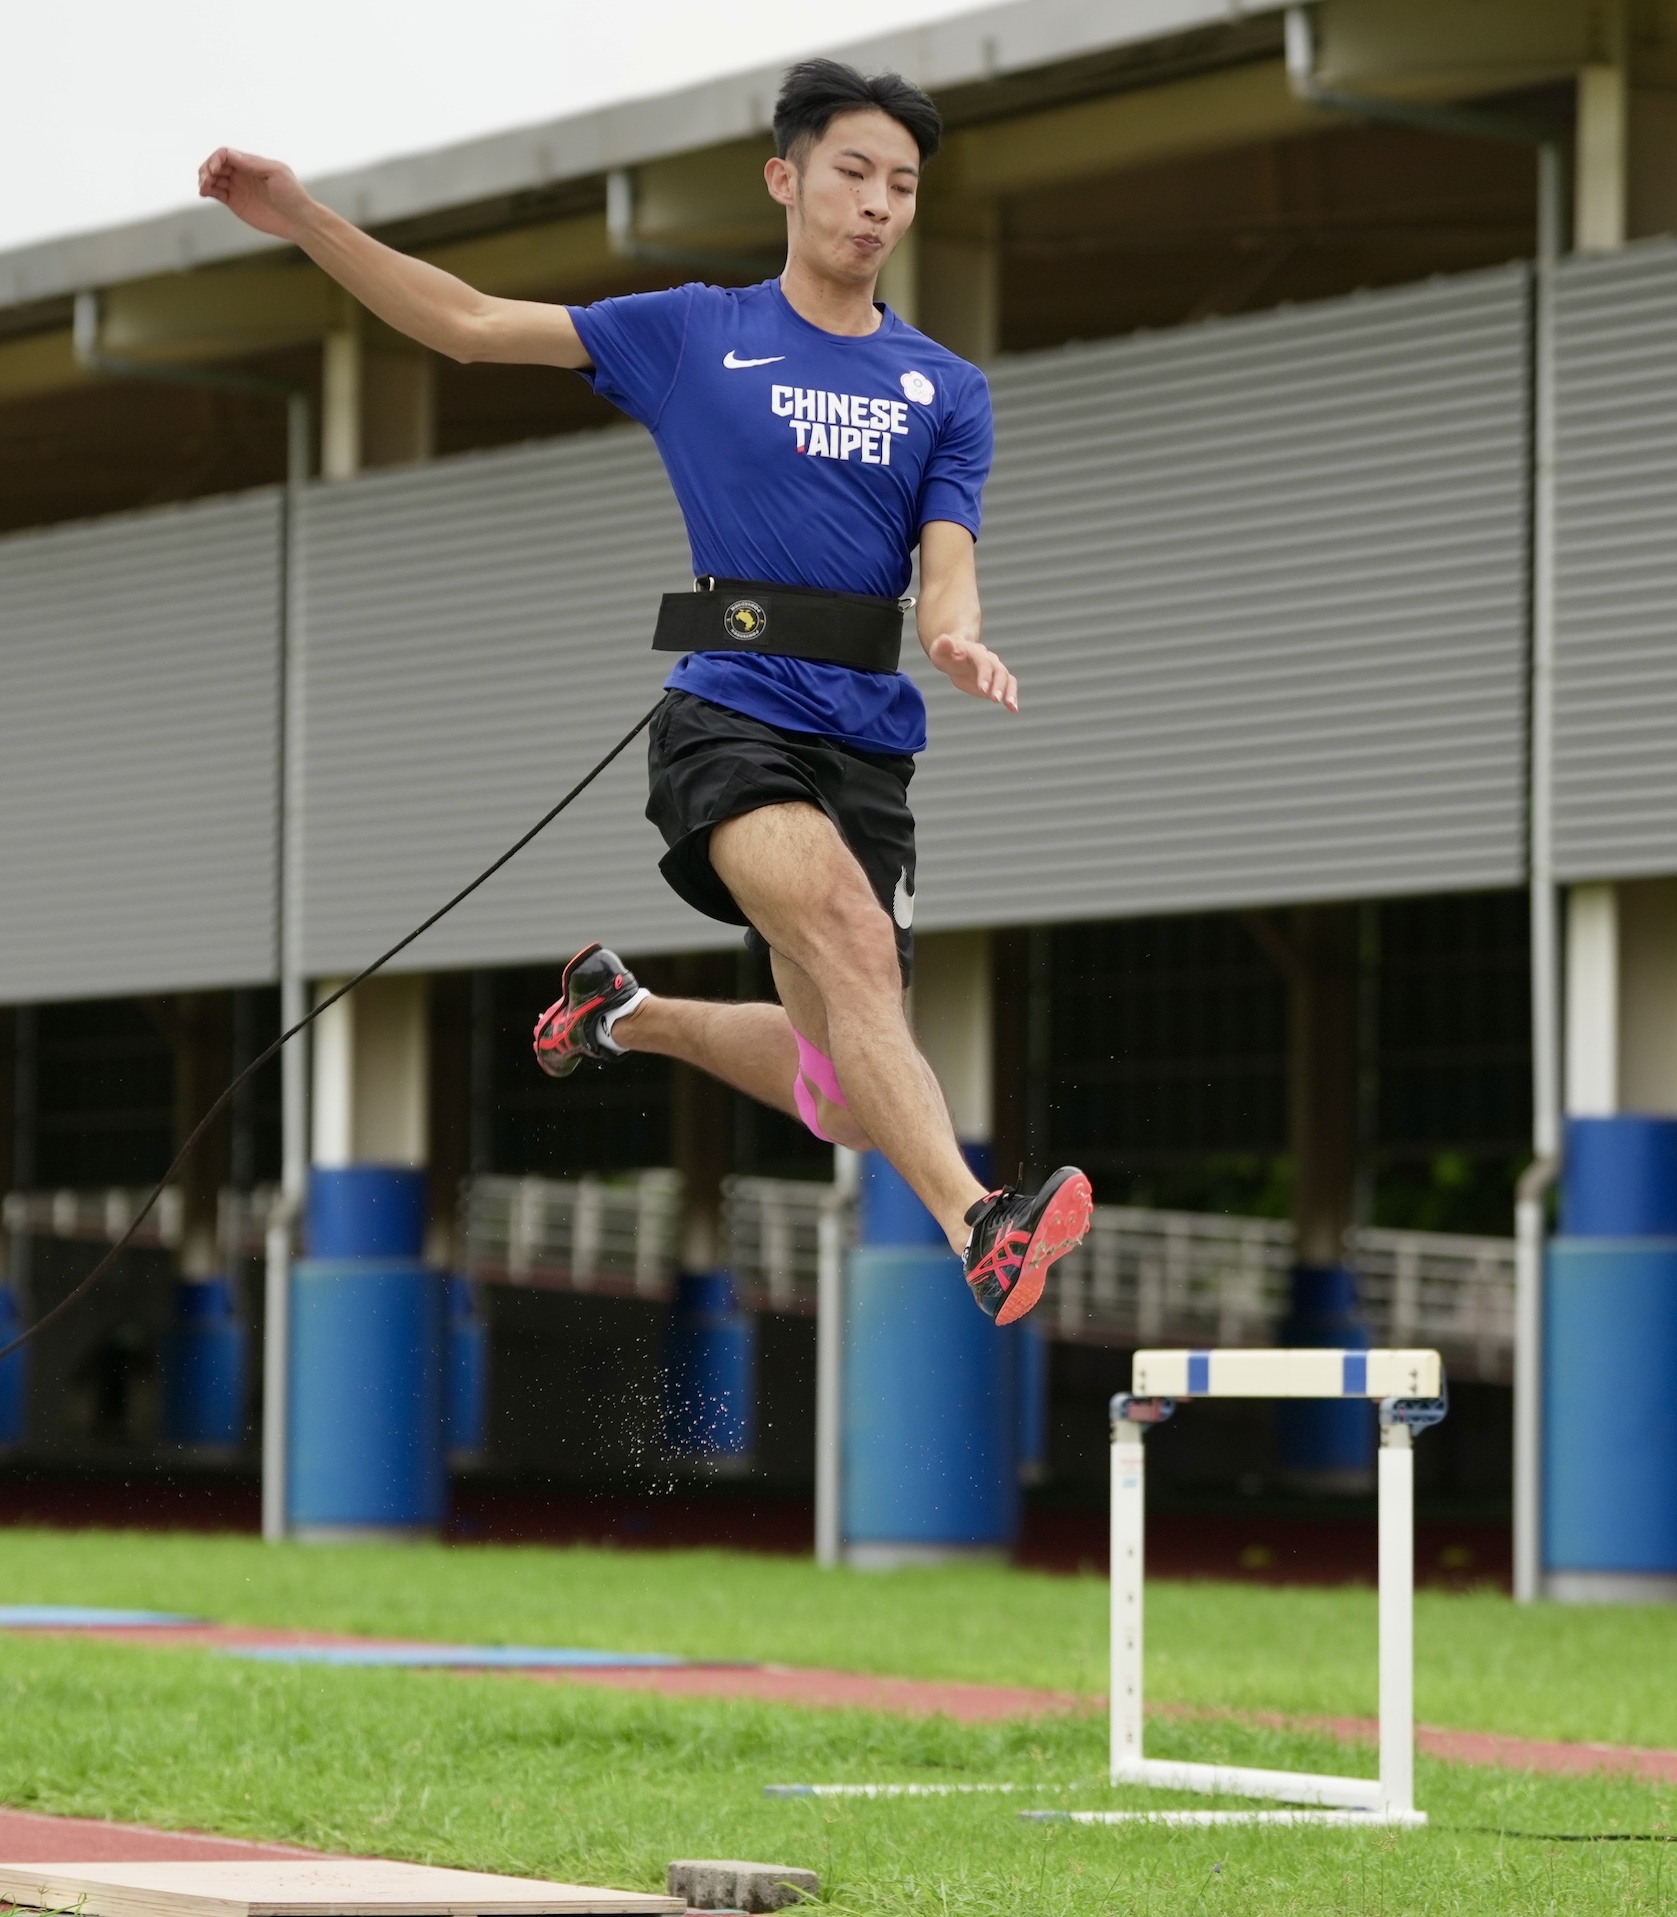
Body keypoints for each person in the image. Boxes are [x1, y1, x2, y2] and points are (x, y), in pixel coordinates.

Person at [200, 59, 1090, 1325]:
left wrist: (955, 641)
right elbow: (467, 323)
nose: (877, 204)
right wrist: (302, 218)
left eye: (901, 186)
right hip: (731, 721)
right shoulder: (693, 333)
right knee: (845, 937)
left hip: (869, 746)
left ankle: (626, 1014)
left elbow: (945, 572)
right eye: (852, 173)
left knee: (845, 1095)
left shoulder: (945, 389)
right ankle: (978, 1222)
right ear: (784, 179)